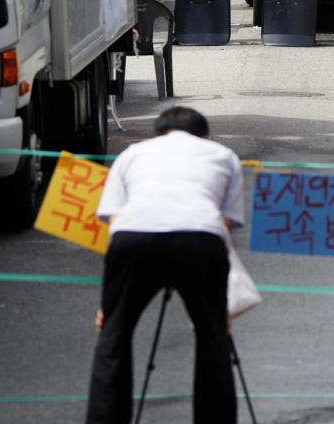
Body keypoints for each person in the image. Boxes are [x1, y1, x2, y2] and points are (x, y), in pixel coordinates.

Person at [86, 107, 244, 424]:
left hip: (133, 238)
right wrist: (219, 303)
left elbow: (115, 221)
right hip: (200, 239)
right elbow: (224, 224)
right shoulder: (223, 155)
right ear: (205, 135)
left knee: (114, 337)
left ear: (158, 133)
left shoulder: (132, 154)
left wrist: (110, 301)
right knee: (212, 337)